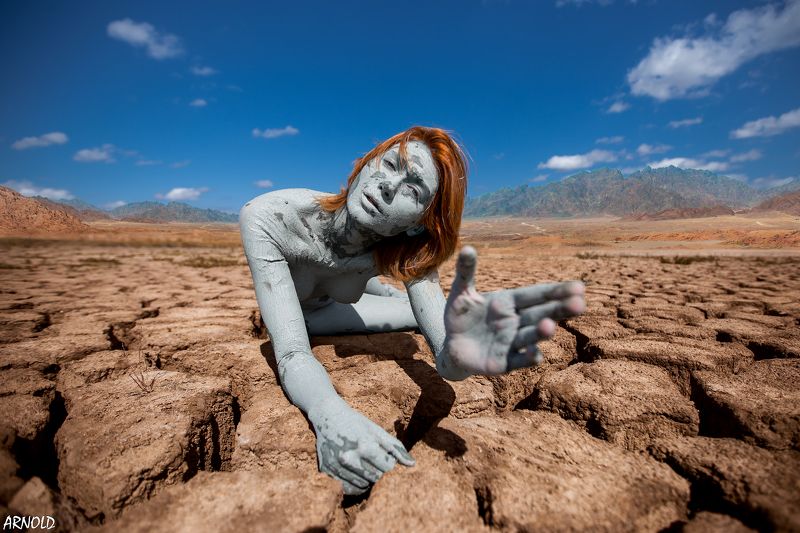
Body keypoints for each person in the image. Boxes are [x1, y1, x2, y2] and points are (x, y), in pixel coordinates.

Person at [239, 126, 586, 494]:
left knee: (410, 310)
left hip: (345, 295)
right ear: (367, 162)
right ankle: (385, 292)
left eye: (412, 189)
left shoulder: (406, 248)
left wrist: (459, 351)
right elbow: (292, 352)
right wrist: (331, 416)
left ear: (417, 223)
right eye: (390, 163)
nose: (388, 185)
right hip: (310, 314)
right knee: (396, 308)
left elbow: (446, 352)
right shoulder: (269, 216)